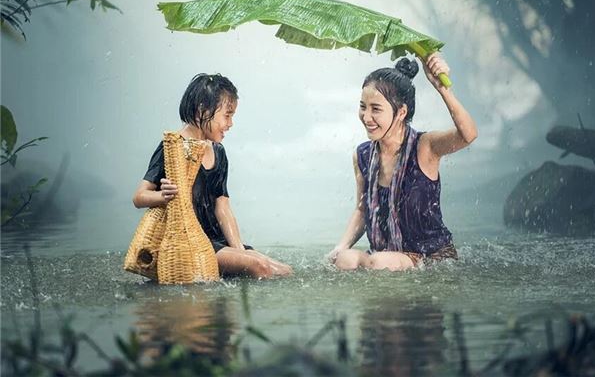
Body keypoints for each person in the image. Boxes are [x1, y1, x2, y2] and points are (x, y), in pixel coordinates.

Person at [133, 73, 292, 279]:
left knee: (283, 271)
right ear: (203, 110)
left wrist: (240, 251)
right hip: (192, 243)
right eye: (227, 115)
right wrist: (162, 196)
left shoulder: (218, 151)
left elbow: (222, 207)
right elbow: (139, 197)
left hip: (217, 241)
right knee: (260, 266)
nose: (231, 123)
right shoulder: (173, 147)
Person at [327, 54, 477, 271]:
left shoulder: (425, 147)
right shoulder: (362, 155)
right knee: (345, 260)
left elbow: (468, 135)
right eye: (363, 106)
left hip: (430, 257)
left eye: (375, 109)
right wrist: (340, 246)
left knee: (378, 262)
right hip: (385, 257)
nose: (366, 117)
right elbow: (362, 209)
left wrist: (442, 88)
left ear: (401, 112)